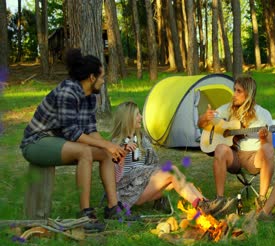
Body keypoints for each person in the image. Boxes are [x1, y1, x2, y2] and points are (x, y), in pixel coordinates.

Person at [20, 48, 132, 223]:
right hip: (36, 142)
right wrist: (106, 144)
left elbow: (90, 130)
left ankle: (113, 208)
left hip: (59, 142)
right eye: (102, 77)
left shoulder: (89, 97)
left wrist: (111, 147)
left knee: (105, 153)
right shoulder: (68, 92)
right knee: (84, 152)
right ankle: (85, 214)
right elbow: (71, 132)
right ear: (92, 77)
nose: (104, 82)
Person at [197, 75, 275, 215]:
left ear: (248, 93)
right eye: (234, 90)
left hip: (253, 158)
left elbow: (268, 146)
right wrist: (205, 118)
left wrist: (264, 139)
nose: (234, 94)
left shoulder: (263, 114)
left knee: (268, 149)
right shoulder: (227, 109)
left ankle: (262, 199)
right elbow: (202, 125)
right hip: (235, 156)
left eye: (239, 91)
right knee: (220, 148)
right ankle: (219, 199)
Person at [110, 101, 207, 211]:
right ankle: (200, 205)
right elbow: (112, 174)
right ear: (128, 119)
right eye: (137, 115)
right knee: (172, 171)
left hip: (143, 184)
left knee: (179, 179)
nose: (141, 117)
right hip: (129, 192)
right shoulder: (115, 143)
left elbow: (153, 164)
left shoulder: (142, 140)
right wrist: (122, 152)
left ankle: (205, 203)